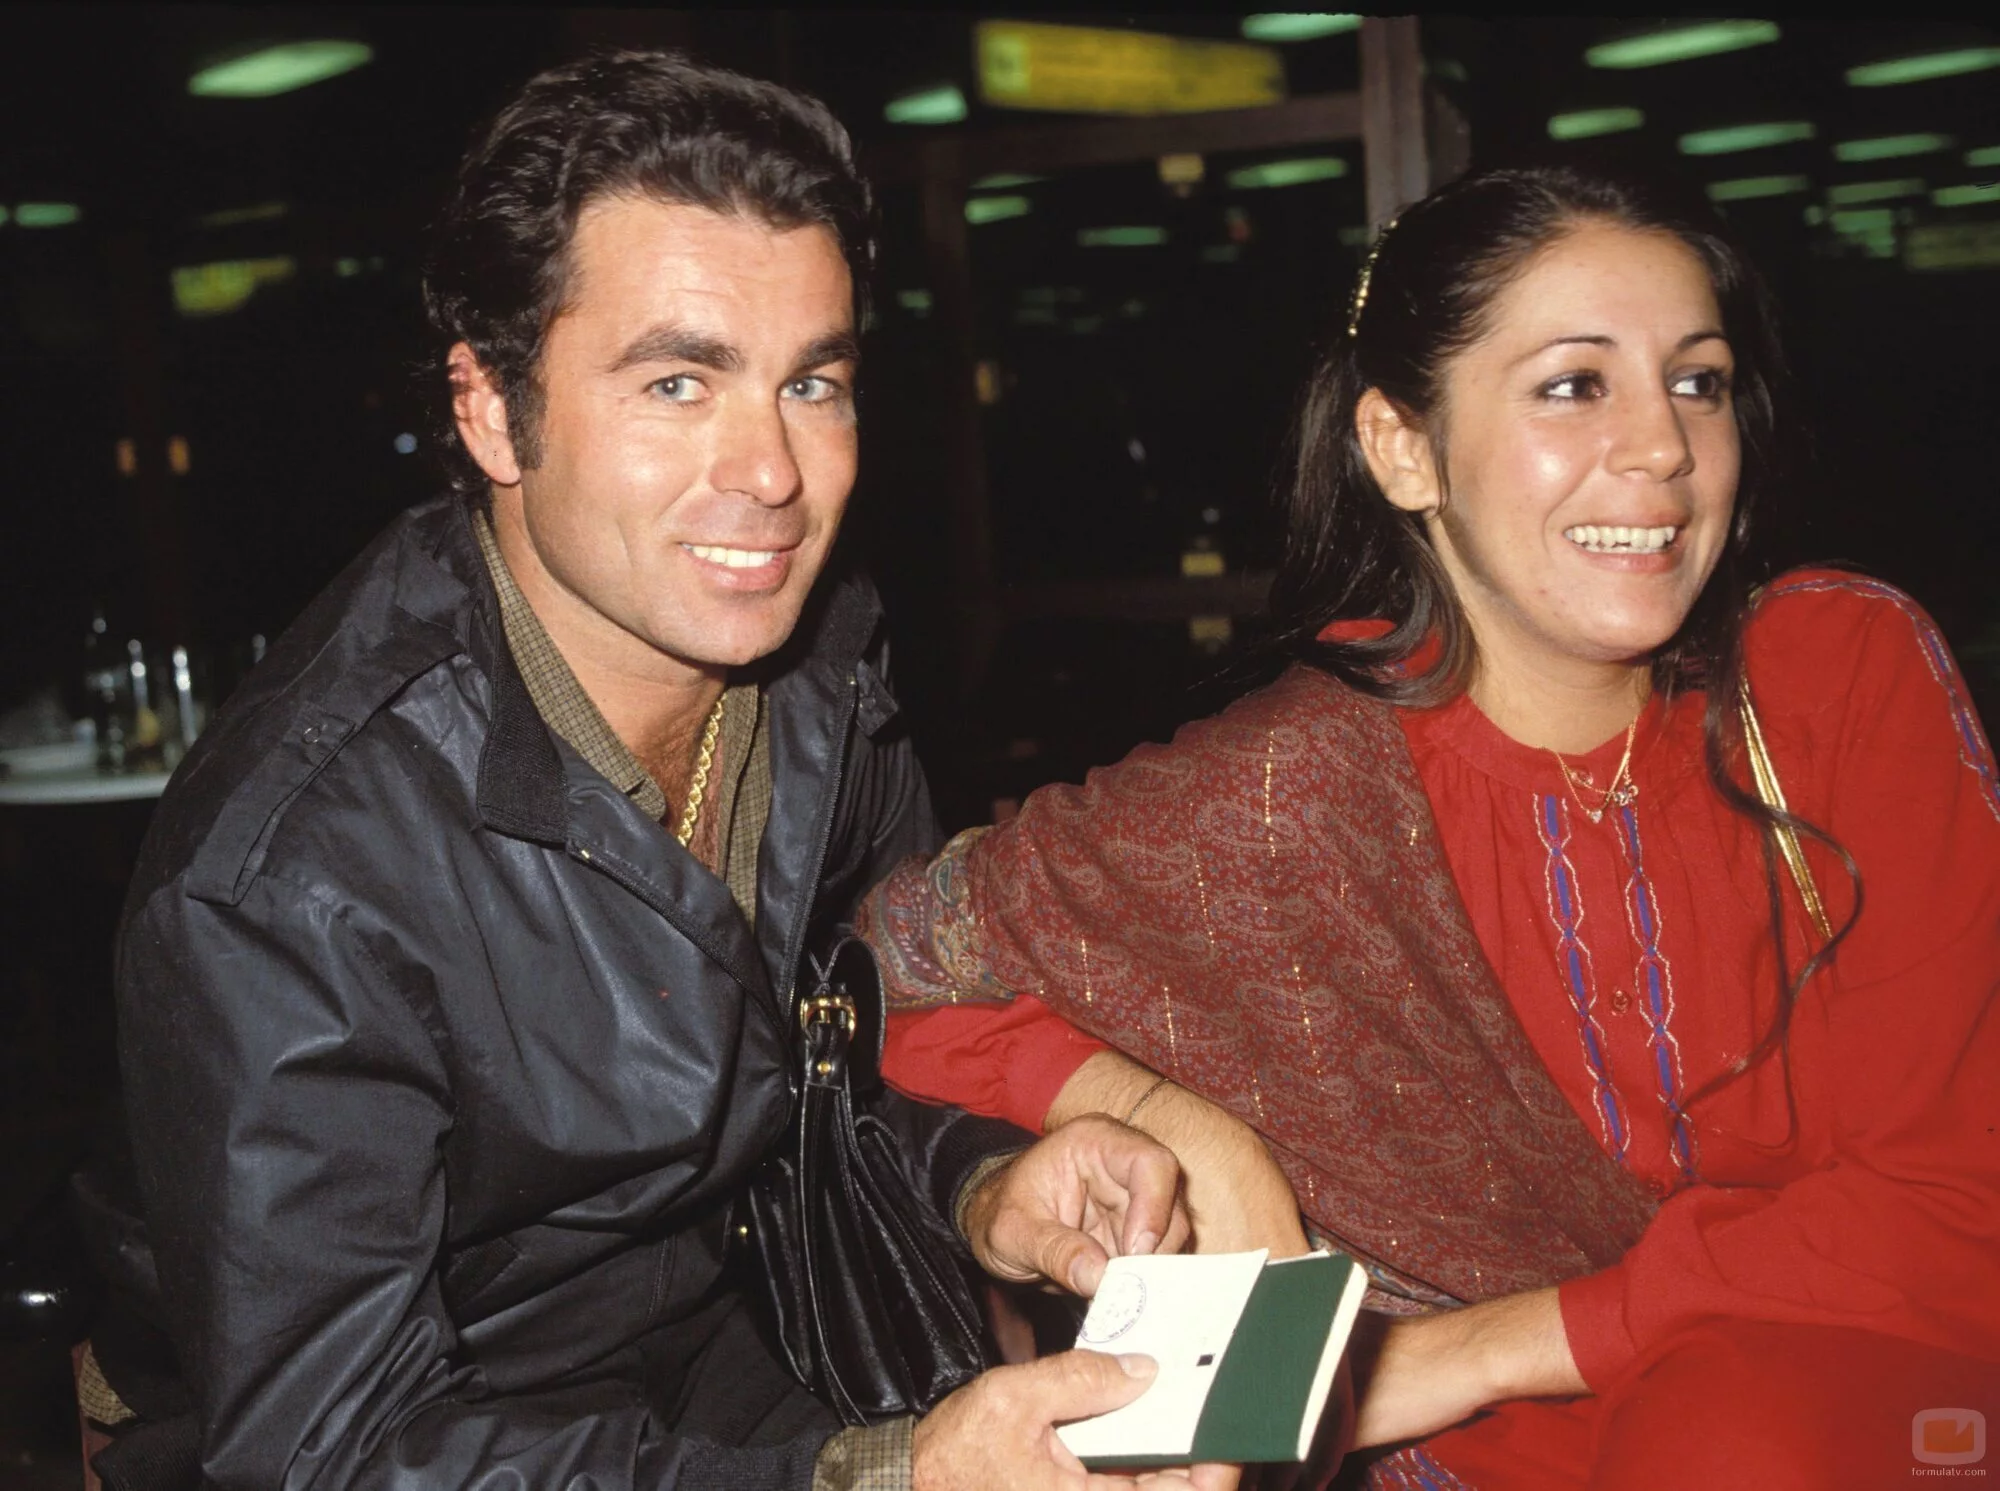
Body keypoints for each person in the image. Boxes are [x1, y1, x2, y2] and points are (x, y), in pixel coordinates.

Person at [72, 51, 1236, 1491]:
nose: (771, 472)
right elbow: (334, 1446)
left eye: (811, 382)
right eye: (678, 382)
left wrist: (983, 1178)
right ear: (490, 409)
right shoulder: (291, 871)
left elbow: (845, 1038)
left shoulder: (819, 674)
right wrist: (880, 1476)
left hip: (719, 1339)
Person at [860, 163, 2000, 1489]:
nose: (1665, 446)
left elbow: (1962, 1196)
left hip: (1854, 1408)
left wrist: (1471, 1350)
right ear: (1404, 447)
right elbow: (899, 972)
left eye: (1698, 380)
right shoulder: (1300, 791)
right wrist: (1183, 1122)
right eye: (1575, 385)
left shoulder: (1831, 681)